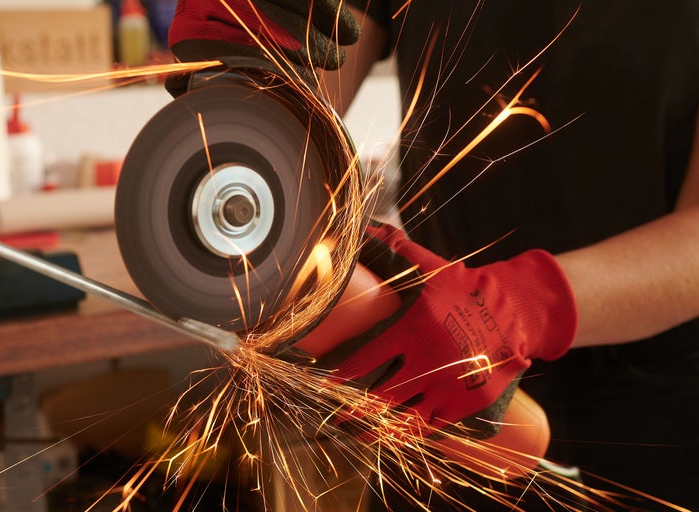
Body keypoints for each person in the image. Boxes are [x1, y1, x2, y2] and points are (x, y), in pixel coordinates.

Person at [167, 1, 699, 509]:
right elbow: (290, 119)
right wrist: (249, 79)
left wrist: (518, 307)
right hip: (431, 371)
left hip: (656, 416)